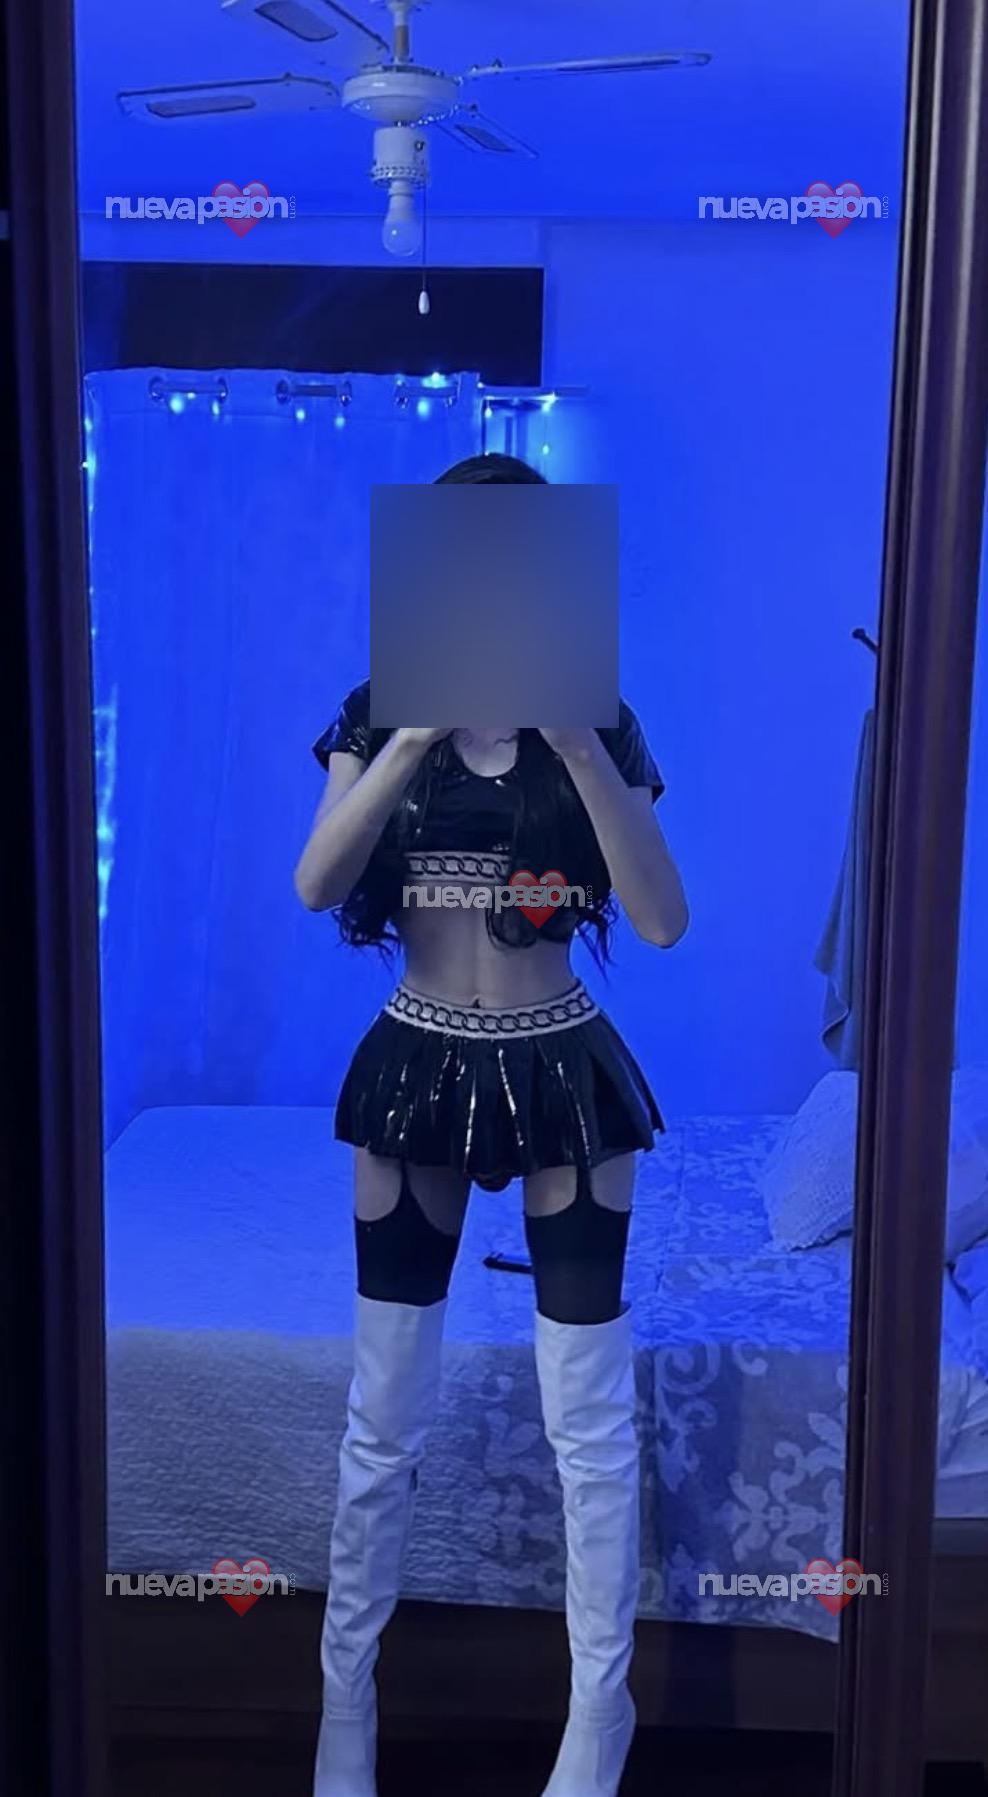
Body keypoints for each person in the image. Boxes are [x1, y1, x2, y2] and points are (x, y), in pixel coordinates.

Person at [294, 452, 689, 1797]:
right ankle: (345, 1713)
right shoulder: (372, 713)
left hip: (564, 1066)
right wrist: (409, 728)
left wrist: (578, 742)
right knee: (383, 1413)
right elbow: (316, 880)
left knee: (588, 1419)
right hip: (414, 1062)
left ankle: (599, 1718)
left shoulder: (602, 722)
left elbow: (661, 919)